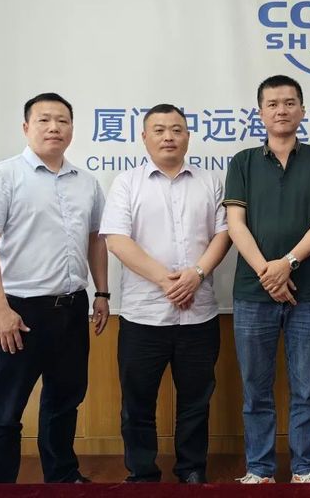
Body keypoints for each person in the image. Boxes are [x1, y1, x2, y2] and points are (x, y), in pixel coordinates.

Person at [0, 92, 109, 483]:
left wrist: (101, 293)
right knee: (6, 410)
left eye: (62, 121)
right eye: (44, 120)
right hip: (18, 311)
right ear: (26, 127)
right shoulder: (2, 177)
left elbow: (96, 240)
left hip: (72, 308)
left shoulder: (86, 183)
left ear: (72, 129)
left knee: (64, 401)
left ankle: (62, 478)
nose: (54, 128)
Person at [100, 103, 231, 484]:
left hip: (199, 314)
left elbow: (224, 234)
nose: (168, 137)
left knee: (196, 402)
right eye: (159, 130)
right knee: (137, 404)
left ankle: (191, 470)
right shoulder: (127, 183)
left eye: (176, 129)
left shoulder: (210, 181)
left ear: (188, 136)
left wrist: (197, 274)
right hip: (143, 316)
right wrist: (166, 281)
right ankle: (142, 474)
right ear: (144, 137)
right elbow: (116, 240)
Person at [224, 74, 310, 484]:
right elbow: (235, 224)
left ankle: (305, 468)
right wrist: (267, 272)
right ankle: (260, 469)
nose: (281, 110)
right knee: (256, 389)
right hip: (253, 294)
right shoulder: (243, 162)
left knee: (306, 388)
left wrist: (287, 263)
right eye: (272, 104)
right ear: (260, 113)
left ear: (302, 110)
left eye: (290, 103)